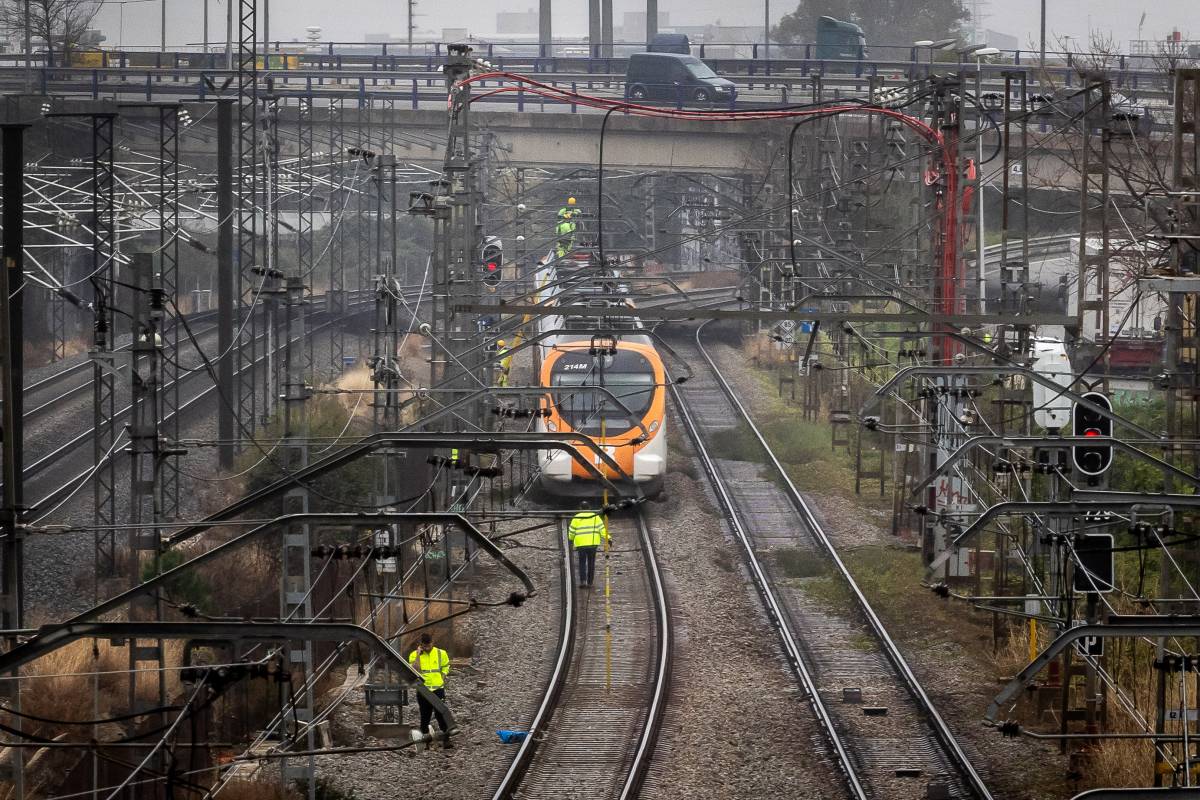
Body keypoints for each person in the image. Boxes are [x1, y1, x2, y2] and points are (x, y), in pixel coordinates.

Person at [408, 633, 452, 748]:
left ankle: (446, 739)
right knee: (425, 715)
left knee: (441, 714)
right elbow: (414, 670)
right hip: (423, 690)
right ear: (420, 644)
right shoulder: (414, 655)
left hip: (438, 688)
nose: (427, 648)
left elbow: (446, 665)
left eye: (429, 645)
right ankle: (426, 742)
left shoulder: (440, 653)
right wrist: (418, 655)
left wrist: (443, 676)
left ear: (433, 642)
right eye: (425, 646)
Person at [568, 500, 609, 587]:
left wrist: (570, 540)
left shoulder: (576, 518)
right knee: (591, 563)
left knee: (582, 562)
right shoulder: (595, 517)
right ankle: (590, 583)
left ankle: (583, 581)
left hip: (581, 544)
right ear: (589, 508)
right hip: (593, 544)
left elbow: (571, 531)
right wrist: (608, 538)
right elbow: (602, 530)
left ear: (580, 508)